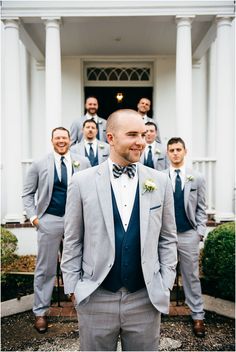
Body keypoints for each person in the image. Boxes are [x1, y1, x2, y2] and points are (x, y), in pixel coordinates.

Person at [61, 109, 178, 351]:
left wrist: (165, 282)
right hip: (96, 296)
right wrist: (73, 288)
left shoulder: (160, 182)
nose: (141, 142)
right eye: (133, 134)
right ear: (111, 138)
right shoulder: (81, 182)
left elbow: (167, 238)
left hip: (144, 298)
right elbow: (73, 239)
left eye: (144, 135)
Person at [22, 127, 90, 333]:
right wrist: (35, 219)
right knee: (45, 267)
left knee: (80, 263)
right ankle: (40, 311)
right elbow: (27, 193)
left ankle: (82, 304)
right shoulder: (39, 164)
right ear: (52, 140)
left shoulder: (83, 162)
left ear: (70, 140)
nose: (61, 141)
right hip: (49, 219)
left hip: (77, 220)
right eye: (57, 138)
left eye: (64, 137)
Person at [165, 137, 207, 338]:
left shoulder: (196, 177)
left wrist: (199, 232)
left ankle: (198, 315)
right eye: (171, 150)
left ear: (185, 151)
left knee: (191, 276)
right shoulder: (160, 177)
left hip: (189, 234)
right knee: (163, 274)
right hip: (165, 236)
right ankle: (159, 310)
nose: (175, 153)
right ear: (167, 153)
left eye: (178, 149)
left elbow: (201, 207)